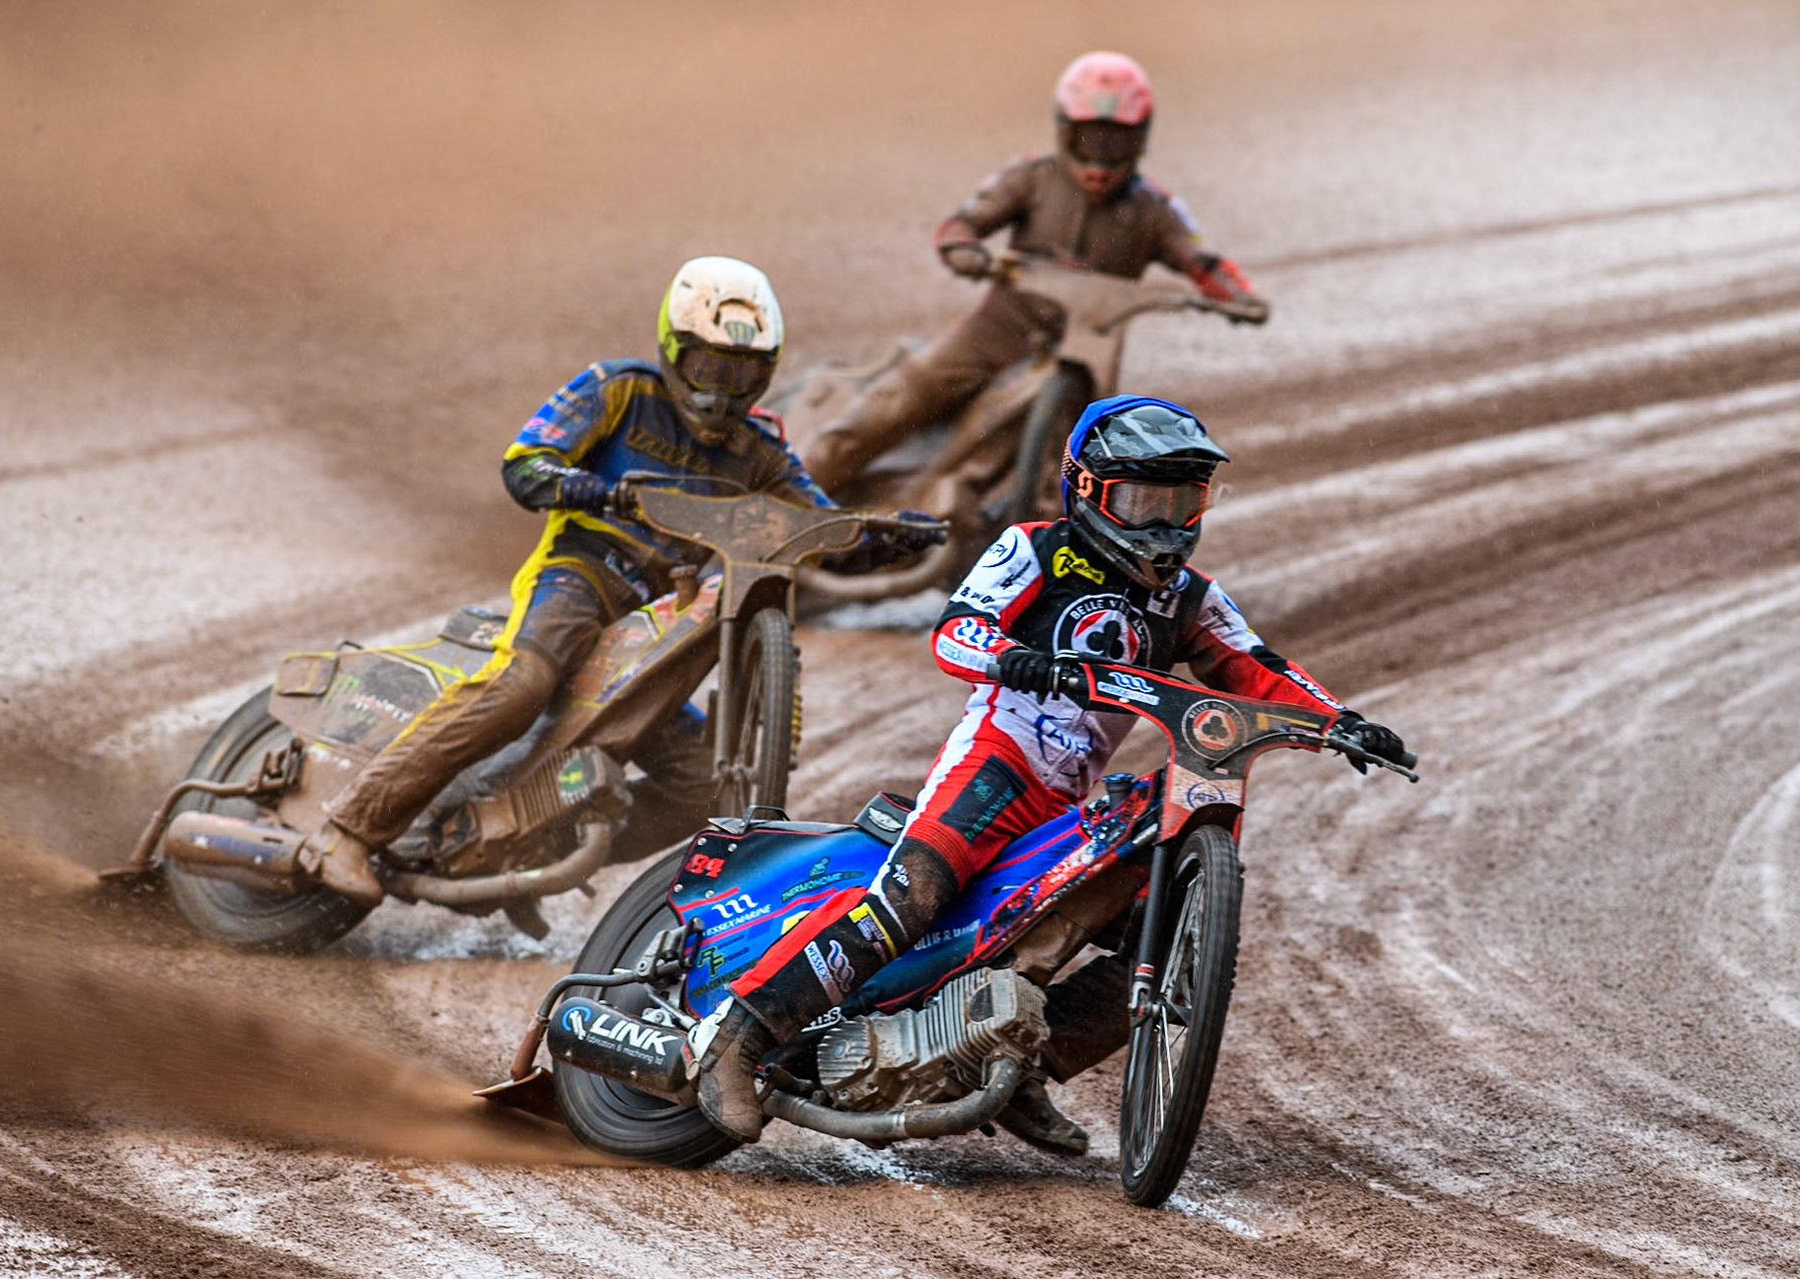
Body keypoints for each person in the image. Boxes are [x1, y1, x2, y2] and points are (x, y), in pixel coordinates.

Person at [694, 394, 1405, 1148]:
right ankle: (737, 1041)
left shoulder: (1191, 597)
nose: (1163, 523)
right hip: (998, 761)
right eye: (1141, 499)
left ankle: (1025, 1065)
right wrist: (1013, 657)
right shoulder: (1031, 548)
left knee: (1158, 939)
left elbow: (1257, 667)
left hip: (1068, 800)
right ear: (1088, 490)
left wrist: (1339, 720)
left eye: (1180, 500)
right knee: (914, 894)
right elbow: (955, 630)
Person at [297, 256, 943, 908]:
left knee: (697, 783)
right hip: (580, 578)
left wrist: (884, 536)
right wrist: (575, 483)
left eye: (743, 373)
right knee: (522, 685)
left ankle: (523, 846)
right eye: (711, 366)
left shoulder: (761, 450)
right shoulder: (619, 389)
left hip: (655, 622)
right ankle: (348, 827)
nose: (723, 389)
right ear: (674, 349)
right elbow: (525, 462)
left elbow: (816, 526)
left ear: (767, 373)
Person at [802, 51, 1270, 496]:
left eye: (1117, 144)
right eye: (1090, 142)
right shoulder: (1030, 176)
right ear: (1065, 133)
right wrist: (963, 249)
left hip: (1088, 358)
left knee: (1099, 465)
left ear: (1140, 140)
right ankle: (799, 492)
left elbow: (1203, 261)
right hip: (996, 332)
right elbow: (962, 223)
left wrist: (1237, 295)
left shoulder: (1156, 209)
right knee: (897, 401)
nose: (1100, 161)